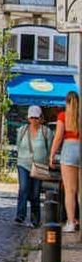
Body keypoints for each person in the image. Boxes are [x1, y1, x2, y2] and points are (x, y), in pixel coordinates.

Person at [15, 105, 52, 228]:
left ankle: (35, 219)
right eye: (32, 118)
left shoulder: (46, 132)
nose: (34, 120)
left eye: (36, 118)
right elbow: (18, 145)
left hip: (39, 165)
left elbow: (50, 148)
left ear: (41, 118)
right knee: (24, 188)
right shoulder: (22, 130)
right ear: (28, 118)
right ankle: (20, 215)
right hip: (23, 163)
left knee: (35, 194)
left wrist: (47, 160)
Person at [50, 91, 81, 232]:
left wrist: (51, 155)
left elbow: (58, 138)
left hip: (69, 149)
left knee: (70, 190)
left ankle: (70, 222)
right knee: (80, 191)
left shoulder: (63, 116)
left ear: (66, 102)